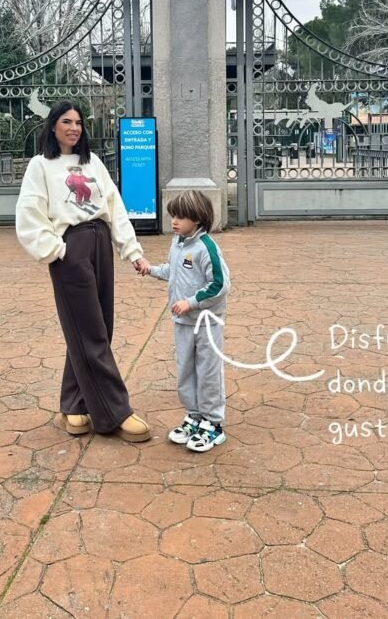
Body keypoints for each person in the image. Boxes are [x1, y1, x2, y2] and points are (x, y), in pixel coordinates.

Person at [15, 100, 151, 442]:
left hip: (100, 241)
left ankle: (74, 405)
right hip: (71, 248)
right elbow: (29, 213)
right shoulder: (40, 165)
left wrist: (130, 249)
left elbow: (114, 205)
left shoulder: (92, 163)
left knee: (98, 327)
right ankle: (115, 412)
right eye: (66, 122)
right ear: (53, 126)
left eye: (78, 122)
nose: (74, 128)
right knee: (90, 330)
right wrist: (57, 251)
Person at [142, 190, 230, 452]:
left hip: (206, 322)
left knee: (208, 371)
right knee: (185, 370)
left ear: (198, 218)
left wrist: (190, 301)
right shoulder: (177, 243)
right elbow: (172, 270)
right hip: (182, 323)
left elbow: (220, 284)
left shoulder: (206, 248)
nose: (174, 221)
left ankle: (213, 423)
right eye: (173, 216)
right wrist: (151, 270)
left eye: (180, 217)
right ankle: (194, 415)